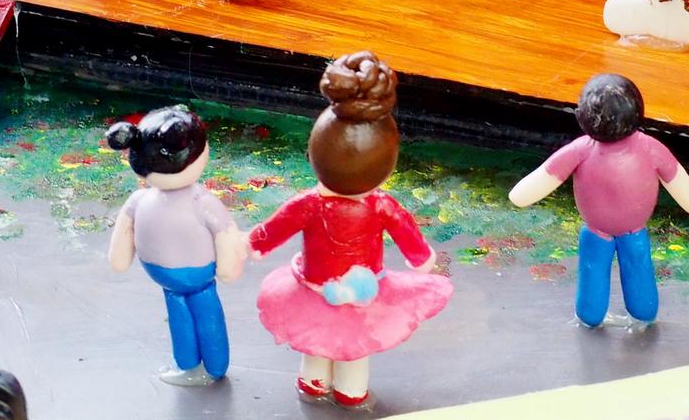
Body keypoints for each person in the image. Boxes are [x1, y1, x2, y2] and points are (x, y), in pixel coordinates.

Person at [249, 52, 452, 408]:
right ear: (388, 163)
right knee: (355, 345)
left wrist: (253, 245)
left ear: (314, 153)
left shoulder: (309, 203)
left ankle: (314, 382)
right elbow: (410, 238)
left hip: (316, 286)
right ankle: (350, 390)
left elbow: (272, 230)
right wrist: (423, 261)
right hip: (361, 290)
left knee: (316, 338)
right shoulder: (381, 205)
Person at [508, 73, 689, 327]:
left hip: (598, 231)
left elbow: (544, 177)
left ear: (582, 115)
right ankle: (643, 313)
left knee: (594, 269)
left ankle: (592, 315)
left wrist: (521, 195)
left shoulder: (582, 149)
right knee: (637, 266)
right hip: (632, 230)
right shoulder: (649, 147)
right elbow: (679, 183)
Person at [107, 106, 245, 385]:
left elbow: (123, 234)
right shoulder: (201, 202)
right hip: (198, 275)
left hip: (165, 276)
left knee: (181, 316)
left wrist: (119, 258)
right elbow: (225, 234)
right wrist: (229, 267)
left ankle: (190, 365)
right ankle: (214, 366)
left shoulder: (140, 200)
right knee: (206, 316)